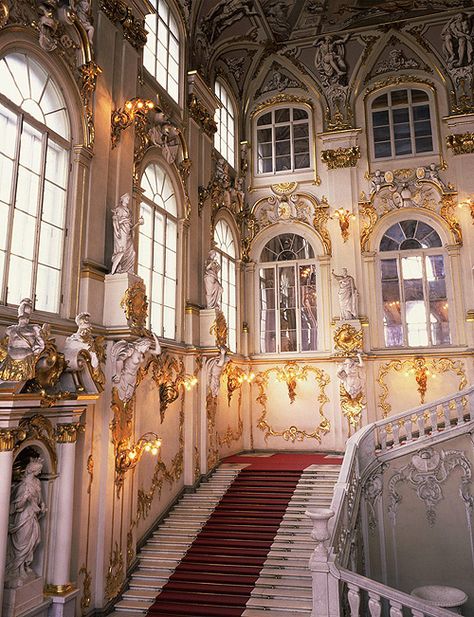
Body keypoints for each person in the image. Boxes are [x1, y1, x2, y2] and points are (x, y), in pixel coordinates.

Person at [6, 457, 45, 584]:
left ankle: (24, 566)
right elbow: (15, 506)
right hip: (23, 518)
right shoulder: (22, 486)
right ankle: (17, 569)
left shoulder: (37, 482)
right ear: (33, 470)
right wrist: (24, 499)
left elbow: (39, 499)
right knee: (21, 544)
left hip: (33, 516)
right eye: (39, 469)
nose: (40, 471)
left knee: (35, 540)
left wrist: (42, 505)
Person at [0, 298, 45, 382]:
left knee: (22, 382)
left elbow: (41, 345)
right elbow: (4, 345)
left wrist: (34, 352)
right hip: (10, 360)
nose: (24, 319)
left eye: (25, 317)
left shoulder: (35, 329)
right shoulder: (10, 329)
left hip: (26, 359)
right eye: (22, 317)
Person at [112, 335, 160, 403]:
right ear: (142, 344)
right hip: (125, 376)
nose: (147, 349)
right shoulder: (131, 349)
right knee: (121, 398)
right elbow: (119, 359)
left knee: (126, 399)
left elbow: (158, 352)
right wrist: (118, 374)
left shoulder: (142, 352)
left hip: (133, 378)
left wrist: (156, 339)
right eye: (147, 347)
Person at [110, 193, 143, 275]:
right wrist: (117, 231)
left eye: (128, 198)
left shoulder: (129, 211)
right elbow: (115, 220)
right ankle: (117, 269)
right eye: (127, 198)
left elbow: (131, 228)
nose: (128, 199)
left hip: (128, 233)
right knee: (122, 251)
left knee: (132, 253)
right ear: (123, 199)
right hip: (122, 232)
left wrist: (138, 223)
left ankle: (128, 270)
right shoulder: (119, 208)